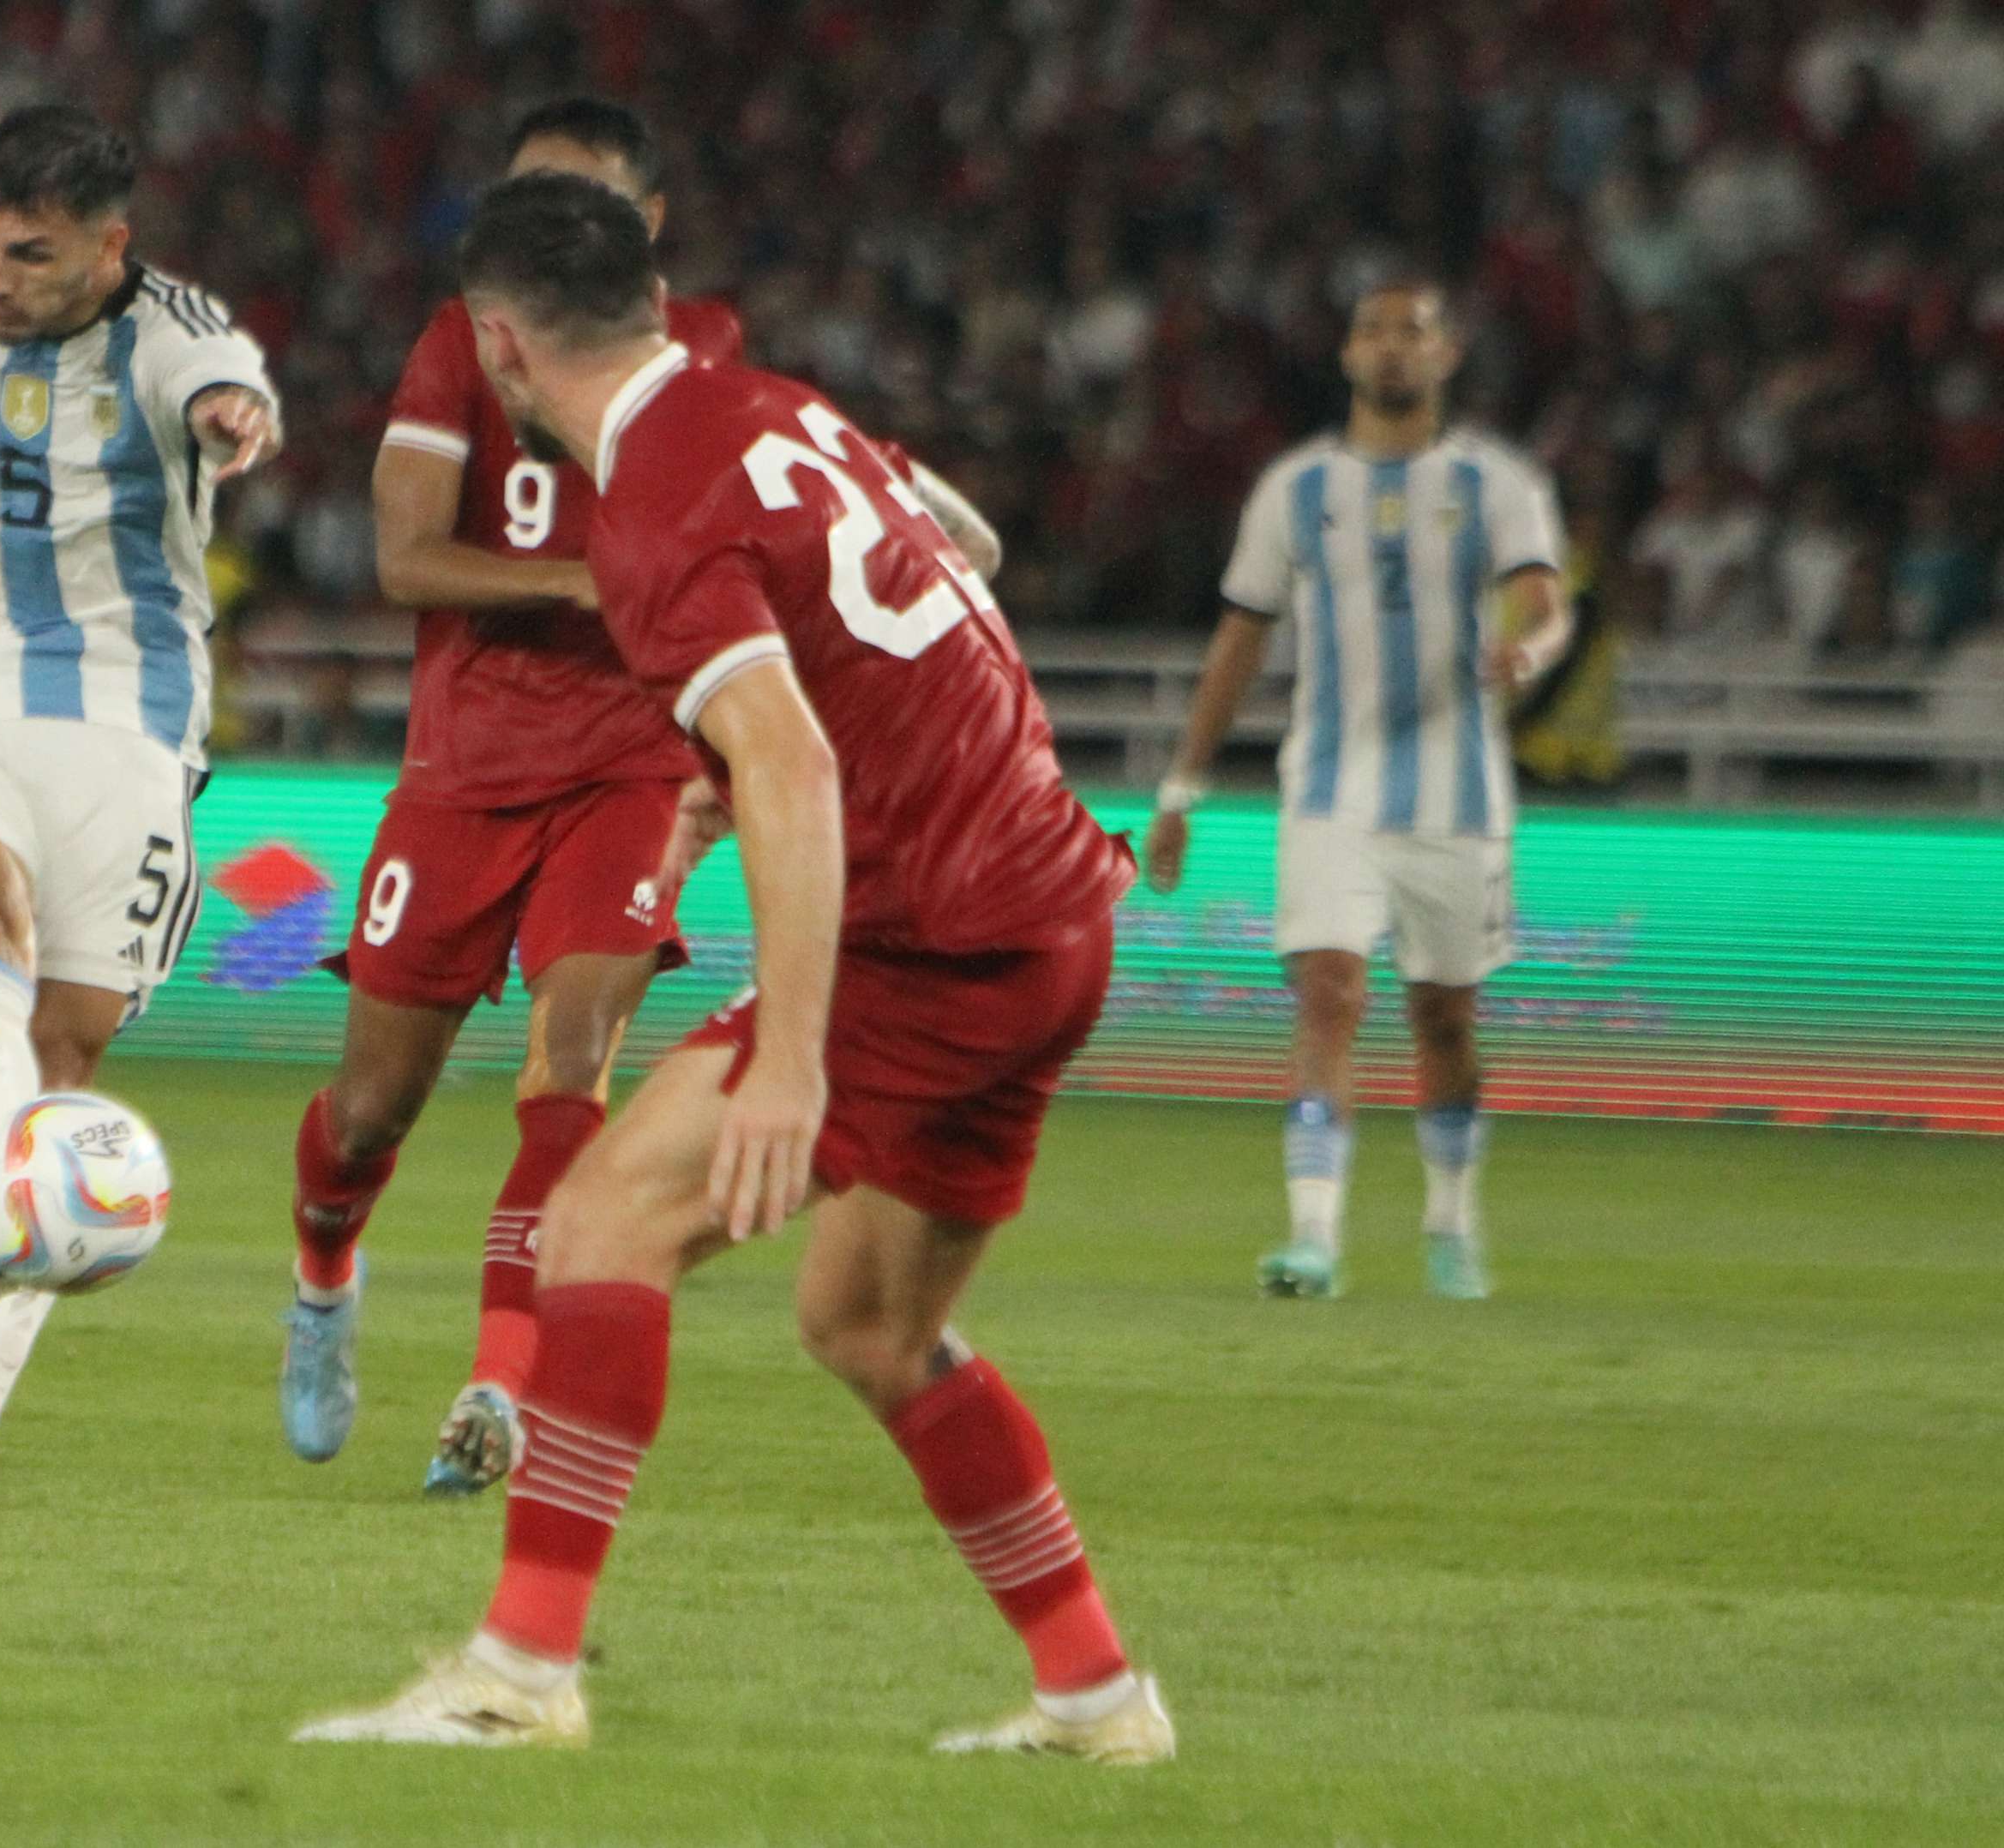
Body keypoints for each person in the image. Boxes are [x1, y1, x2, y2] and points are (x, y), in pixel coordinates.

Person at [298, 174, 1168, 1762]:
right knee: (866, 1323)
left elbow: (797, 766)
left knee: (598, 1220)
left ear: (498, 344)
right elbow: (952, 563)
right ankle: (1101, 1696)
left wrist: (793, 1054)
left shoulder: (651, 510)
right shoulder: (771, 408)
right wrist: (756, 764)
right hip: (1054, 910)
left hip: (936, 941)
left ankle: (518, 1675)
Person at [273, 99, 747, 1489]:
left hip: (631, 760)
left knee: (571, 1062)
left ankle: (499, 1386)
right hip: (465, 770)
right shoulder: (454, 343)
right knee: (368, 1116)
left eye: (579, 202)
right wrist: (589, 582)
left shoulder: (698, 346)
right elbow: (409, 560)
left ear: (644, 226)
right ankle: (323, 1276)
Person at [0, 104, 280, 1539]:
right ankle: (13, 1186)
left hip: (129, 727)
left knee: (57, 1058)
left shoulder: (176, 335)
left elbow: (229, 386)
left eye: (29, 256)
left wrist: (237, 419)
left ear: (111, 246)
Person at [1142, 280, 1573, 1302]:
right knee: (1329, 992)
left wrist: (1531, 652)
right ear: (1346, 353)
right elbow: (1239, 638)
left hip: (1457, 798)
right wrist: (1182, 786)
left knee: (1445, 1020)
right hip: (1330, 789)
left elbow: (1545, 603)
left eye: (1413, 332)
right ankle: (1313, 1238)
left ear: (1447, 354)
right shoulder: (1294, 490)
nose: (1392, 350)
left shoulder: (1495, 482)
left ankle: (1450, 1220)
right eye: (1375, 331)